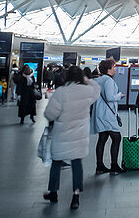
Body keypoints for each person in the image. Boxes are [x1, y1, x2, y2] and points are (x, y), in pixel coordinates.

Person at [43, 66, 100, 210]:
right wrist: (87, 80)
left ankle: (53, 192)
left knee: (56, 163)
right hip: (79, 134)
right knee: (76, 163)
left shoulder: (62, 92)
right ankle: (75, 196)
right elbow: (97, 88)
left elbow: (50, 114)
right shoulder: (87, 91)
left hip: (62, 134)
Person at [89, 58, 124, 175]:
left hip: (99, 113)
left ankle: (99, 166)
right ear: (109, 69)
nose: (115, 69)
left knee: (102, 138)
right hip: (107, 115)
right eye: (114, 67)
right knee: (116, 137)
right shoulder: (108, 81)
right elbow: (109, 97)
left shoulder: (98, 80)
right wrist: (119, 95)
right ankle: (114, 165)